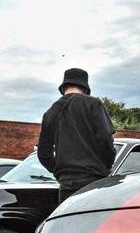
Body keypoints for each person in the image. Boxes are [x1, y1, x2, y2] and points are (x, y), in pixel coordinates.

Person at [37, 68, 116, 203]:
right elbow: (104, 139)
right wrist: (108, 164)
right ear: (85, 88)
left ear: (63, 88)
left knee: (69, 223)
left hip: (65, 185)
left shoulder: (49, 113)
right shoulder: (93, 104)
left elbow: (43, 154)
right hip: (93, 181)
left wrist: (60, 172)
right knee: (93, 223)